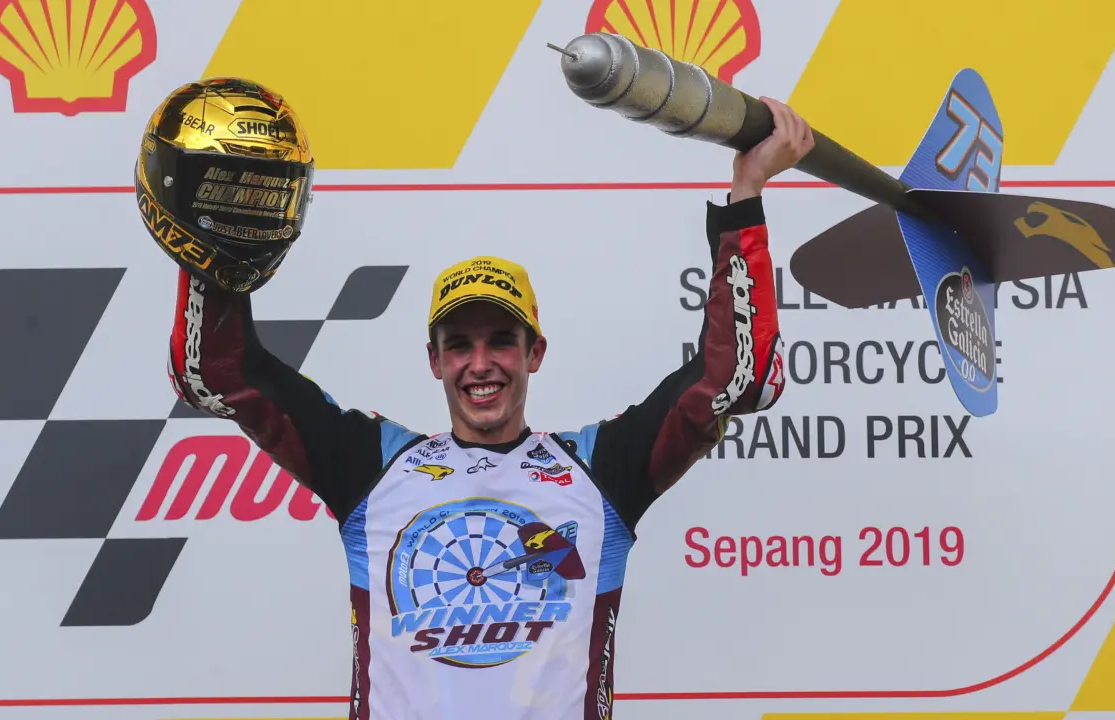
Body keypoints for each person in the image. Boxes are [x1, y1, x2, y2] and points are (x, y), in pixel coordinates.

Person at [139, 77, 812, 720]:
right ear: (434, 361)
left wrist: (745, 195)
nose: (481, 364)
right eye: (459, 345)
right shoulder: (368, 464)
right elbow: (216, 372)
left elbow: (737, 376)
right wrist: (212, 243)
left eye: (501, 341)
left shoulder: (603, 469)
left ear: (534, 353)